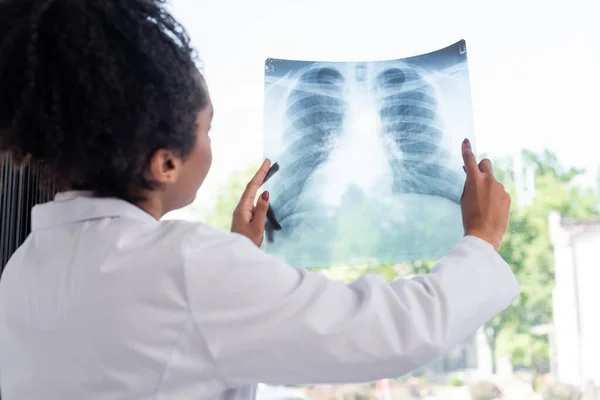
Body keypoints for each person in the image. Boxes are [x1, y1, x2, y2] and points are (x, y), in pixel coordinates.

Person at [0, 0, 518, 399]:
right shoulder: (186, 268)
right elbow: (391, 333)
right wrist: (481, 238)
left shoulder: (22, 270)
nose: (211, 144)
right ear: (165, 164)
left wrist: (237, 261)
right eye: (207, 130)